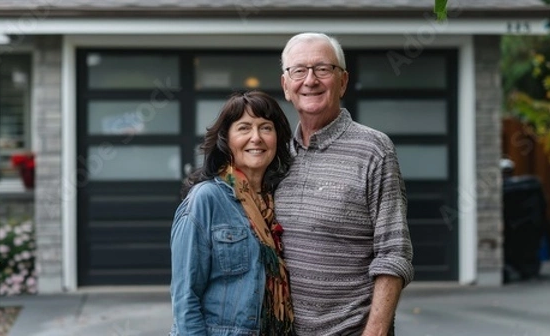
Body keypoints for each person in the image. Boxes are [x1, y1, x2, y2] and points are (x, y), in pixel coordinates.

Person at [274, 32, 414, 336]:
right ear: (286, 86)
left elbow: (394, 252)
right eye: (299, 70)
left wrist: (374, 331)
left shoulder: (375, 149)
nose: (310, 80)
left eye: (323, 69)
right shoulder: (276, 155)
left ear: (343, 81)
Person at [169, 90, 294, 335]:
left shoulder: (281, 200)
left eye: (266, 128)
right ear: (226, 139)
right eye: (244, 128)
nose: (256, 138)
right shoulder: (205, 200)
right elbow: (185, 298)